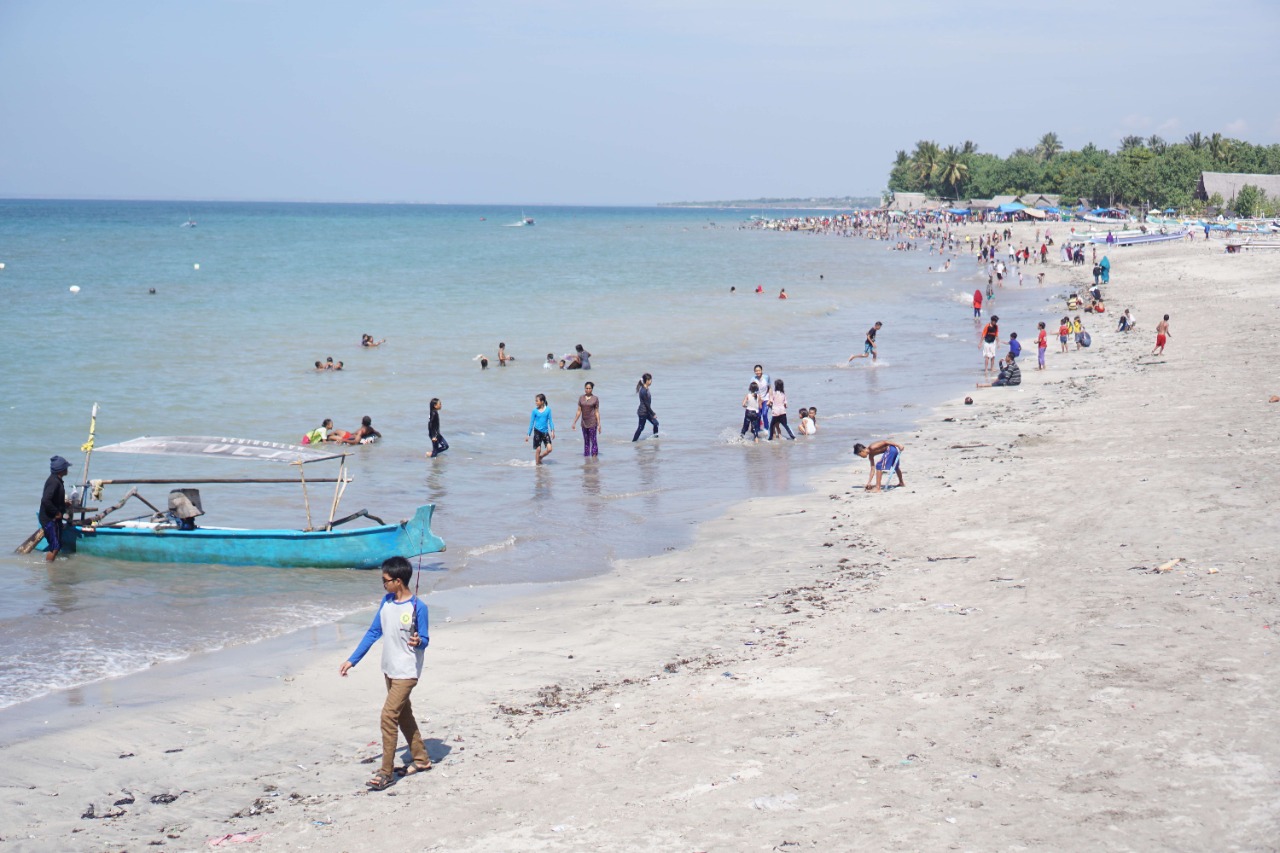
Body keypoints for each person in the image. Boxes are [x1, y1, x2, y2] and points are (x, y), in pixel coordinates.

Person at [339, 557, 431, 791]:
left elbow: (425, 640)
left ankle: (386, 773)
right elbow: (373, 632)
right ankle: (421, 759)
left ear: (398, 581)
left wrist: (418, 640)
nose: (383, 585)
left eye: (386, 581)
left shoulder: (419, 607)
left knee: (388, 716)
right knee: (403, 715)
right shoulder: (386, 602)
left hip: (407, 671)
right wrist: (353, 660)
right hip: (389, 668)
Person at [39, 455, 71, 562]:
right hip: (49, 519)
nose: (67, 469)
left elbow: (52, 499)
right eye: (66, 467)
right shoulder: (54, 482)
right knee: (55, 546)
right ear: (61, 469)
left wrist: (63, 504)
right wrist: (56, 512)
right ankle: (50, 568)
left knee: (57, 545)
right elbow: (45, 500)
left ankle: (52, 567)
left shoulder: (57, 480)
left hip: (53, 518)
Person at [571, 381, 601, 457]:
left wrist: (599, 424)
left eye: (589, 388)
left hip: (592, 422)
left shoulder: (595, 399)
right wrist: (574, 422)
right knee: (586, 441)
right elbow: (579, 411)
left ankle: (594, 458)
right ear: (584, 389)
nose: (588, 390)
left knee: (593, 440)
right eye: (586, 388)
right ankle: (587, 457)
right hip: (584, 422)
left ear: (592, 389)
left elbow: (597, 412)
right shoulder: (581, 398)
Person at [525, 393, 555, 464]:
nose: (536, 402)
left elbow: (550, 421)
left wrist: (552, 431)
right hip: (537, 432)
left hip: (545, 432)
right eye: (535, 401)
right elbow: (531, 423)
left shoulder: (548, 410)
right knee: (538, 450)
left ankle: (540, 457)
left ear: (542, 401)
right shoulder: (534, 411)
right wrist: (528, 434)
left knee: (550, 449)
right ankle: (537, 465)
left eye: (537, 401)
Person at [632, 374, 658, 441]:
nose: (651, 381)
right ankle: (634, 441)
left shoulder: (646, 389)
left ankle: (656, 439)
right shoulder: (643, 391)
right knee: (641, 428)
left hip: (647, 411)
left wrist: (651, 413)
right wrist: (653, 413)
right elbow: (646, 404)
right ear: (647, 381)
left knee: (656, 423)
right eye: (650, 380)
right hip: (642, 412)